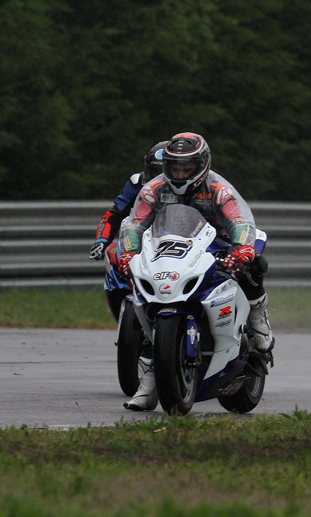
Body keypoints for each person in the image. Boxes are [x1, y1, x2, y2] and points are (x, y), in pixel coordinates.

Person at [117, 132, 274, 411]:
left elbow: (239, 222)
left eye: (186, 168)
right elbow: (134, 223)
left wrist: (242, 249)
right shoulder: (153, 189)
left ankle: (258, 316)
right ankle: (152, 375)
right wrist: (128, 252)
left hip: (220, 242)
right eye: (173, 167)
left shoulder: (219, 190)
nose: (179, 173)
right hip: (171, 246)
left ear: (202, 165)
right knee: (138, 285)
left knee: (252, 262)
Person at [90, 141, 169, 322]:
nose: (159, 178)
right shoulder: (137, 183)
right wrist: (101, 240)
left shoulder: (191, 187)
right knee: (113, 253)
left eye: (164, 172)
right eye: (155, 172)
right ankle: (123, 307)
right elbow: (114, 215)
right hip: (140, 241)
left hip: (177, 242)